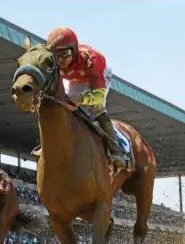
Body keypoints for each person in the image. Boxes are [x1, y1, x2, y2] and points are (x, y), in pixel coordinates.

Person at [34, 26, 132, 171]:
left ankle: (116, 151)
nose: (60, 60)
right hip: (75, 77)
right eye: (55, 55)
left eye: (64, 54)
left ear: (74, 50)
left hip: (96, 76)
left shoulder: (91, 61)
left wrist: (81, 99)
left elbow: (98, 95)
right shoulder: (53, 61)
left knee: (97, 108)